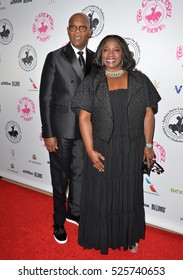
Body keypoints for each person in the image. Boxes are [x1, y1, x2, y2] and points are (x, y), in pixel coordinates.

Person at [72, 35, 161, 254]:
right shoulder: (92, 81)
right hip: (102, 146)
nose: (111, 55)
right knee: (101, 194)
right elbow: (84, 118)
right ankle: (102, 235)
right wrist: (90, 150)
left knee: (129, 194)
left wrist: (148, 146)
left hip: (131, 146)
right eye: (106, 50)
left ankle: (129, 236)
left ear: (124, 53)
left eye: (116, 50)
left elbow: (149, 114)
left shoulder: (140, 80)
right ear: (100, 53)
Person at [39, 13, 94, 244]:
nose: (78, 31)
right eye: (74, 27)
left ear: (90, 31)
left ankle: (75, 211)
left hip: (85, 131)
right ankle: (59, 222)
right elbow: (45, 98)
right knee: (60, 179)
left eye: (83, 27)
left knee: (80, 176)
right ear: (68, 30)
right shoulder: (54, 57)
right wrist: (48, 133)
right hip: (60, 132)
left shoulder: (95, 58)